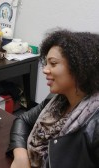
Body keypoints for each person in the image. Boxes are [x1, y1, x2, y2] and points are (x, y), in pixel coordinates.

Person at [6, 30, 99, 168]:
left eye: (53, 63)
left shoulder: (95, 124)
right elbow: (23, 120)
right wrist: (20, 155)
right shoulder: (57, 100)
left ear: (79, 68)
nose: (45, 70)